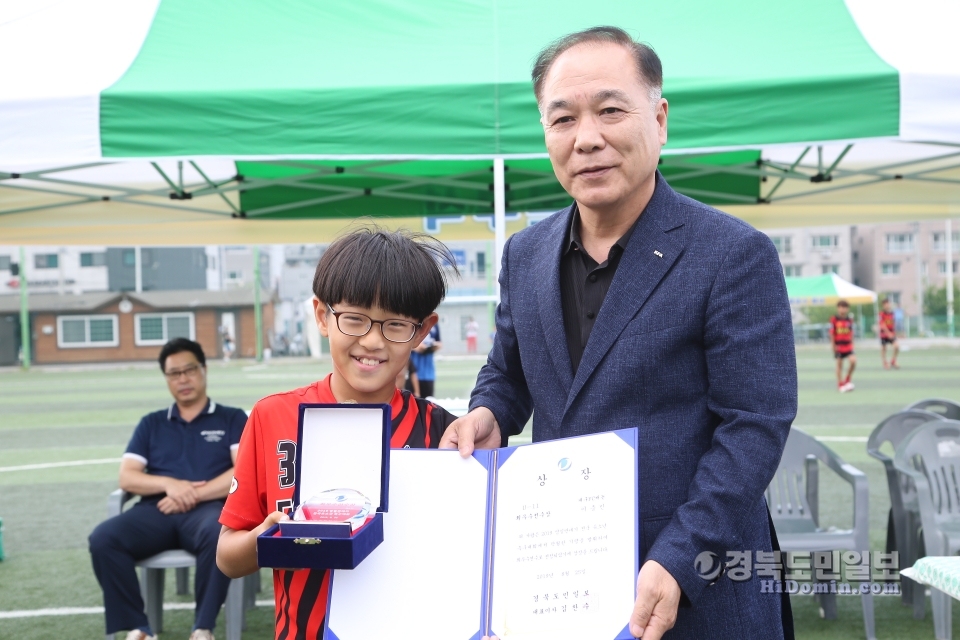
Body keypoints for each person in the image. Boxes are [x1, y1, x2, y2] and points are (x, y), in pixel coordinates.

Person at [440, 27, 797, 640]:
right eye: (563, 119)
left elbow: (755, 425)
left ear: (658, 120)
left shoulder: (733, 253)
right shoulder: (524, 254)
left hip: (696, 583)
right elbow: (509, 372)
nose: (587, 138)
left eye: (610, 110)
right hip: (561, 572)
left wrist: (679, 556)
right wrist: (487, 412)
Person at [216, 228, 460, 640]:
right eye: (354, 319)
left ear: (422, 332)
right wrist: (268, 534)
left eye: (396, 325)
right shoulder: (271, 415)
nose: (372, 341)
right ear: (321, 316)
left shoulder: (444, 434)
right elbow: (227, 557)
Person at [89, 338, 248, 640]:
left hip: (209, 510)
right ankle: (140, 627)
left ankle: (203, 628)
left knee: (220, 534)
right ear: (166, 379)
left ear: (204, 370)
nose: (182, 379)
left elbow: (242, 472)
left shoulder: (231, 418)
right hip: (157, 511)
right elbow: (128, 477)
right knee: (103, 539)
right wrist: (169, 484)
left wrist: (194, 494)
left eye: (189, 370)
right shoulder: (151, 424)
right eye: (174, 373)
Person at [408, 321, 441, 397]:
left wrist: (434, 346)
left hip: (429, 373)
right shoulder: (412, 320)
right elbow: (402, 343)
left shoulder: (434, 323)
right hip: (414, 373)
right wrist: (415, 346)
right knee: (413, 402)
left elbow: (439, 343)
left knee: (429, 402)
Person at [830, 300, 856, 392]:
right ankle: (840, 384)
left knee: (853, 361)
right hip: (839, 346)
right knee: (839, 365)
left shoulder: (849, 320)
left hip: (848, 345)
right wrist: (833, 346)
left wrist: (853, 344)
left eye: (845, 307)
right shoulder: (834, 319)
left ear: (847, 309)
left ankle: (847, 380)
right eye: (841, 307)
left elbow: (851, 333)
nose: (843, 309)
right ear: (838, 308)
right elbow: (832, 334)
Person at [878, 297, 900, 369]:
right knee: (884, 348)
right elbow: (882, 325)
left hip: (891, 334)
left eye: (888, 303)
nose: (887, 305)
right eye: (885, 304)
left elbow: (893, 324)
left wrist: (894, 333)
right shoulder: (881, 314)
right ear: (883, 305)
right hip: (884, 334)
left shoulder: (892, 314)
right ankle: (885, 362)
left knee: (896, 346)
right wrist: (888, 333)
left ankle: (893, 361)